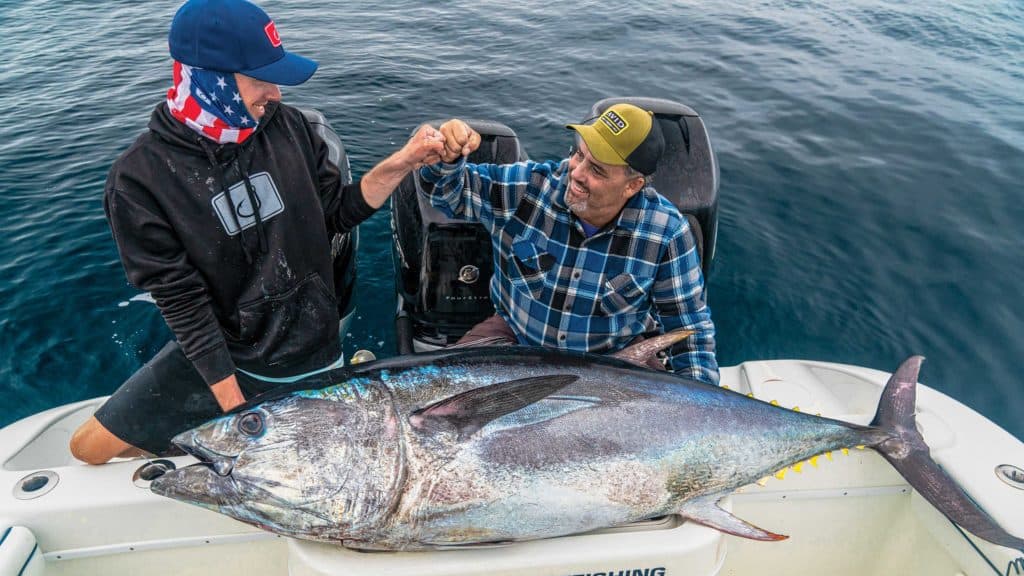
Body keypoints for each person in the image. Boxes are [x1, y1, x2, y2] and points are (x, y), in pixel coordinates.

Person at [70, 0, 444, 464]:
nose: (276, 94)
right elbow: (182, 302)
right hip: (225, 356)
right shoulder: (138, 180)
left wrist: (401, 163)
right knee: (86, 450)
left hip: (310, 345)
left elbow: (335, 213)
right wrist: (239, 416)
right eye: (260, 79)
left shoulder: (289, 127)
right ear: (210, 79)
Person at [418, 103, 718, 383]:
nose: (576, 172)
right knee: (438, 398)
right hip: (513, 340)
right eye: (579, 154)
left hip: (614, 358)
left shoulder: (666, 232)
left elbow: (688, 330)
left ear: (633, 185)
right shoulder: (528, 188)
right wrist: (449, 158)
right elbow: (447, 193)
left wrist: (704, 407)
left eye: (597, 169)